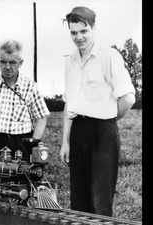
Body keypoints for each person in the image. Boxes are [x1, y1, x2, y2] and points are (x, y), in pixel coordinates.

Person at [59, 6, 136, 216]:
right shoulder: (70, 60)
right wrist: (65, 141)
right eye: (74, 32)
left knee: (100, 201)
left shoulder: (109, 56)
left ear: (94, 28)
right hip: (78, 133)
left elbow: (128, 98)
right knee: (79, 200)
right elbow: (69, 103)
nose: (79, 37)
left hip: (103, 132)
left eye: (84, 31)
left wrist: (110, 117)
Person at [0, 39, 50, 158]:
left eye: (12, 62)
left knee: (22, 174)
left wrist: (33, 147)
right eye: (3, 62)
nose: (7, 67)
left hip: (21, 144)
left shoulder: (31, 88)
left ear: (20, 63)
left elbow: (41, 119)